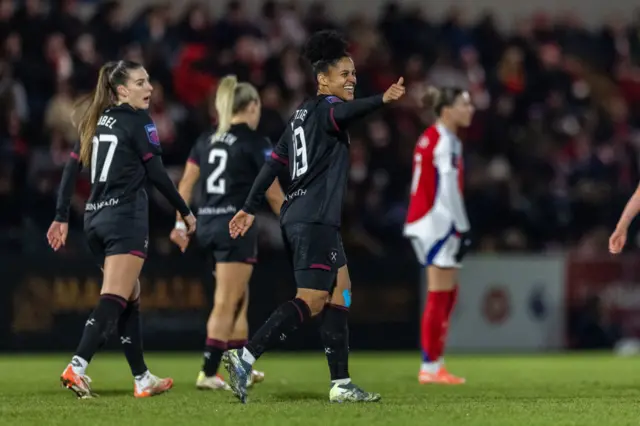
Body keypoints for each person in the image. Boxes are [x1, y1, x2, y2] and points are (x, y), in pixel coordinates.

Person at [223, 30, 405, 403]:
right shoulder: (326, 110)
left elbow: (271, 166)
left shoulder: (299, 116)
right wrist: (382, 100)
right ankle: (244, 356)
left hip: (304, 214)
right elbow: (346, 112)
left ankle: (340, 383)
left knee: (343, 292)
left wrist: (247, 206)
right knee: (311, 299)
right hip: (314, 218)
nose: (351, 79)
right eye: (344, 74)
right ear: (323, 79)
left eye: (353, 73)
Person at [47, 60, 196, 399]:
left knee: (131, 294)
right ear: (122, 90)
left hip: (94, 219)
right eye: (142, 82)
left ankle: (142, 378)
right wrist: (185, 210)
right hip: (124, 218)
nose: (150, 88)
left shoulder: (95, 121)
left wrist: (61, 216)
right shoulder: (139, 120)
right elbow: (157, 174)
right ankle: (77, 366)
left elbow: (70, 170)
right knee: (114, 296)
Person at [170, 75, 284, 391]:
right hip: (234, 226)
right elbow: (273, 193)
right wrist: (294, 225)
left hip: (206, 224)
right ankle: (208, 372)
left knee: (238, 299)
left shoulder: (206, 139)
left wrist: (181, 224)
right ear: (251, 107)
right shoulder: (255, 142)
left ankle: (239, 366)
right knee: (227, 300)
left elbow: (186, 184)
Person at [403, 86, 475, 385]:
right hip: (438, 221)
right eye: (465, 104)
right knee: (439, 293)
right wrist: (463, 226)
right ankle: (430, 366)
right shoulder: (447, 141)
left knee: (448, 292)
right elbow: (447, 188)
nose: (470, 109)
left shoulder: (429, 136)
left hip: (425, 219)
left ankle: (435, 362)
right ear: (447, 110)